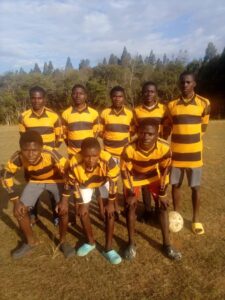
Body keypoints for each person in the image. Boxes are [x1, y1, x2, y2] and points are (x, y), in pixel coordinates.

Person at [1, 131, 74, 259]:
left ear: (41, 148)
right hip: (35, 181)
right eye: (26, 150)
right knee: (20, 211)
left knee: (63, 210)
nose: (30, 154)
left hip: (56, 181)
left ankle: (63, 241)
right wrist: (16, 201)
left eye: (34, 150)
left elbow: (69, 175)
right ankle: (31, 242)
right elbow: (6, 176)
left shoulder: (51, 153)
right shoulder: (18, 157)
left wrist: (64, 201)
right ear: (21, 149)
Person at [120, 119, 182, 260]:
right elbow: (124, 172)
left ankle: (167, 245)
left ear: (157, 134)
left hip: (153, 176)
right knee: (130, 206)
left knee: (163, 207)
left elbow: (165, 170)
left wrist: (162, 193)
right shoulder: (129, 148)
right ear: (138, 132)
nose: (146, 137)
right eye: (142, 133)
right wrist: (130, 194)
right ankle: (131, 243)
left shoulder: (164, 148)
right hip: (134, 177)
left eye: (150, 134)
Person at [57, 137, 122, 265]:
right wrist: (80, 203)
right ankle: (90, 242)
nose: (91, 159)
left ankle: (108, 248)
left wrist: (110, 203)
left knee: (110, 212)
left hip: (104, 181)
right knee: (83, 212)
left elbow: (114, 182)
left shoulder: (108, 160)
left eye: (94, 156)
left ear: (100, 153)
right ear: (81, 154)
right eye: (87, 156)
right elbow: (72, 183)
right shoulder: (74, 162)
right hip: (84, 183)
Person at [167, 71, 210, 235]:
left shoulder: (204, 103)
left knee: (196, 188)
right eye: (182, 82)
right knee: (176, 186)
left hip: (194, 155)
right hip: (176, 155)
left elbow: (204, 126)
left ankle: (196, 219)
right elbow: (169, 126)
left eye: (188, 82)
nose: (185, 85)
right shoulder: (171, 105)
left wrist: (193, 140)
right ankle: (176, 216)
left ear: (194, 84)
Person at [19, 85, 63, 225]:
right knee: (33, 186)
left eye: (39, 98)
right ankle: (33, 215)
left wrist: (49, 152)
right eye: (33, 98)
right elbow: (24, 139)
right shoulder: (23, 117)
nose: (36, 101)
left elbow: (59, 138)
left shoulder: (54, 116)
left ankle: (56, 215)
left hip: (50, 160)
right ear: (30, 99)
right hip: (31, 160)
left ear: (44, 99)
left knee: (53, 187)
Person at [134, 81, 170, 223]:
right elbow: (136, 130)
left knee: (159, 179)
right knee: (144, 180)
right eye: (146, 91)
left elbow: (167, 127)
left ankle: (158, 209)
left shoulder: (163, 109)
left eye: (152, 91)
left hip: (158, 151)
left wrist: (161, 142)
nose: (149, 94)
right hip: (143, 150)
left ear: (156, 93)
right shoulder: (136, 111)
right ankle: (147, 210)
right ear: (142, 93)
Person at [99, 86, 135, 219]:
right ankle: (113, 209)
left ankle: (127, 208)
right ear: (111, 97)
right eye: (115, 96)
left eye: (120, 96)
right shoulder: (105, 113)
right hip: (109, 155)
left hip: (125, 156)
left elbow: (133, 131)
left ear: (124, 98)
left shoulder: (130, 114)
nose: (117, 99)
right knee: (110, 183)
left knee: (127, 183)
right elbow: (101, 132)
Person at [61, 84, 99, 157]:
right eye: (75, 93)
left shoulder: (94, 113)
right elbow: (65, 135)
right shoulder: (65, 114)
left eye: (81, 93)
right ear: (72, 95)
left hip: (88, 155)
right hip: (73, 155)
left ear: (85, 96)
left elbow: (95, 133)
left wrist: (88, 147)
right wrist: (73, 147)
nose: (78, 96)